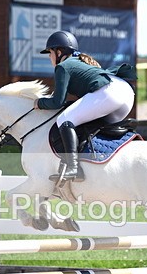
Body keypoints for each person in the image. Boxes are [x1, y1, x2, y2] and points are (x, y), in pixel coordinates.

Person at [35, 30, 137, 182]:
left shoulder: (63, 66)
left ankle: (74, 168)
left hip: (110, 92)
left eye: (50, 53)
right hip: (126, 93)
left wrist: (39, 102)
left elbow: (57, 102)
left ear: (59, 52)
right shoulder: (80, 63)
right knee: (88, 124)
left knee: (64, 120)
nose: (50, 57)